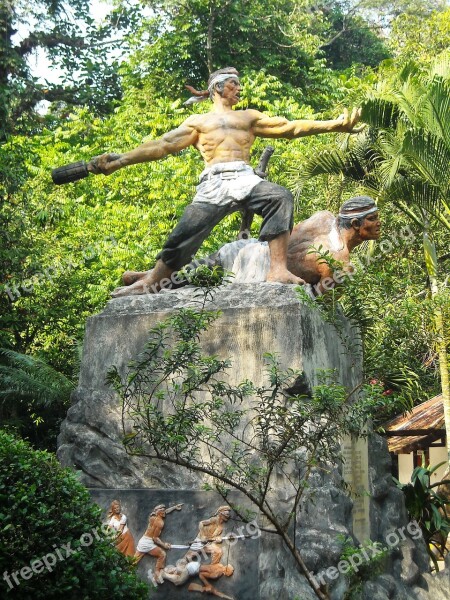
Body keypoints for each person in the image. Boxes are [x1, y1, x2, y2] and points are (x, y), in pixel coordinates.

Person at [87, 67, 362, 296]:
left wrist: (335, 124)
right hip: (214, 181)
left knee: (279, 197)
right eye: (234, 84)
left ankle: (277, 269)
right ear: (218, 87)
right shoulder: (198, 122)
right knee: (185, 232)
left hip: (244, 177)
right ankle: (152, 280)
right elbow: (163, 145)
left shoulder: (248, 117)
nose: (239, 89)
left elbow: (290, 128)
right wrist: (121, 159)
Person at [210, 195, 380, 295]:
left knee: (197, 270)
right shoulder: (341, 265)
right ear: (356, 224)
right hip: (254, 271)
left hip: (247, 249)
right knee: (195, 273)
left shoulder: (324, 217)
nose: (379, 223)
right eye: (373, 219)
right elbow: (314, 301)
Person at [134, 502, 183, 583]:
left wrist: (174, 507)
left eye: (164, 510)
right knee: (162, 554)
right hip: (148, 543)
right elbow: (155, 538)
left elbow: (164, 512)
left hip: (143, 540)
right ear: (159, 512)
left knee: (134, 560)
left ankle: (123, 572)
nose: (164, 512)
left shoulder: (153, 517)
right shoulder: (160, 522)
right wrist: (164, 545)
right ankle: (157, 576)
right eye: (162, 511)